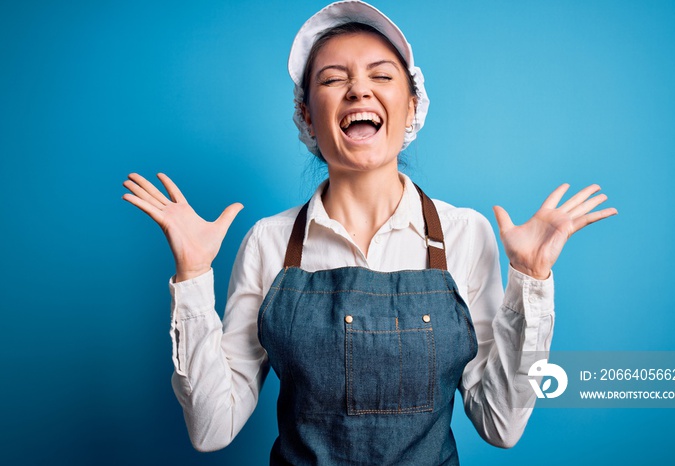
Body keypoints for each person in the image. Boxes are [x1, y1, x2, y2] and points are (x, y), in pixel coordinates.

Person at [122, 1, 617, 464]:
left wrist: (530, 281)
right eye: (334, 79)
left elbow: (500, 424)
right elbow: (212, 429)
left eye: (381, 75)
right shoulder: (268, 243)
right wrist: (191, 277)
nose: (359, 89)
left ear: (411, 107)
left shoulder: (466, 235)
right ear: (306, 117)